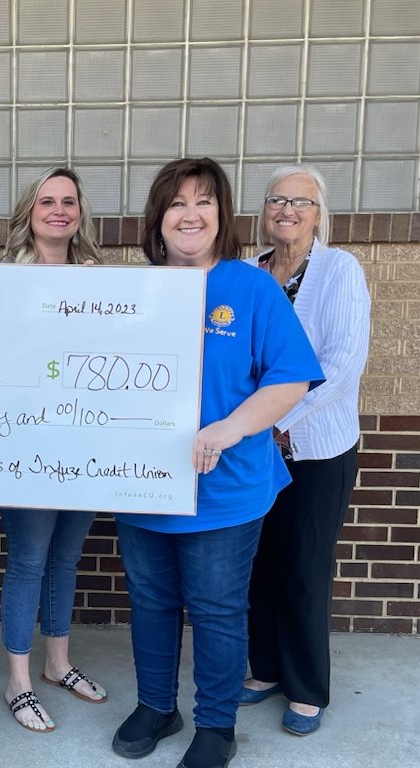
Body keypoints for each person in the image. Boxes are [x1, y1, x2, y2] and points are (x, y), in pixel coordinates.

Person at [109, 158, 324, 768]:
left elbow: (291, 380)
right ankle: (157, 705)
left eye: (204, 202)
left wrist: (227, 430)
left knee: (216, 608)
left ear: (221, 216)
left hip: (224, 487)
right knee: (150, 602)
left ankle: (216, 724)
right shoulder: (131, 292)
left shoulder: (250, 287)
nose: (190, 214)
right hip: (143, 485)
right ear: (159, 218)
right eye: (177, 203)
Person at [240, 165, 370, 736]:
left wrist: (277, 419)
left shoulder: (339, 270)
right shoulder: (248, 271)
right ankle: (265, 668)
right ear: (264, 210)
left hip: (316, 447)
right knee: (258, 563)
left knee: (304, 566)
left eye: (301, 202)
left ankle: (307, 686)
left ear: (320, 214)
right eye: (277, 200)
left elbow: (341, 366)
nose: (287, 211)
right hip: (254, 446)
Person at [0, 167, 106, 734]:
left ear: (80, 213)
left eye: (69, 201)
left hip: (83, 441)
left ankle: (57, 663)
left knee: (66, 557)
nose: (59, 210)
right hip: (26, 446)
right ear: (30, 211)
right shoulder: (4, 280)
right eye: (47, 201)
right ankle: (18, 680)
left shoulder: (101, 280)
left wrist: (99, 299)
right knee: (30, 560)